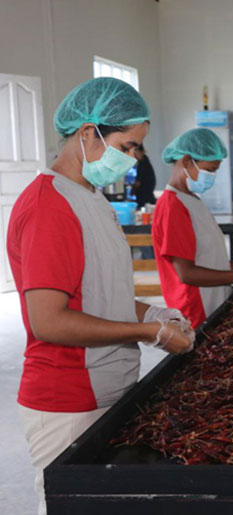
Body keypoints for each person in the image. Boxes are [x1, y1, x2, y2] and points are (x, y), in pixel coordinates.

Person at [6, 77, 195, 515]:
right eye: (127, 147)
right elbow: (49, 321)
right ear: (88, 133)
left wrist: (155, 310)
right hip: (69, 398)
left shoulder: (90, 197)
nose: (133, 160)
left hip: (109, 387)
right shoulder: (49, 208)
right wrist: (151, 332)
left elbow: (100, 293)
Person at [152, 128, 233, 329]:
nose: (212, 176)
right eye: (209, 170)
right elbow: (186, 273)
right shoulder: (173, 206)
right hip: (197, 310)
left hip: (214, 301)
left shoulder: (192, 200)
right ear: (186, 161)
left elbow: (208, 256)